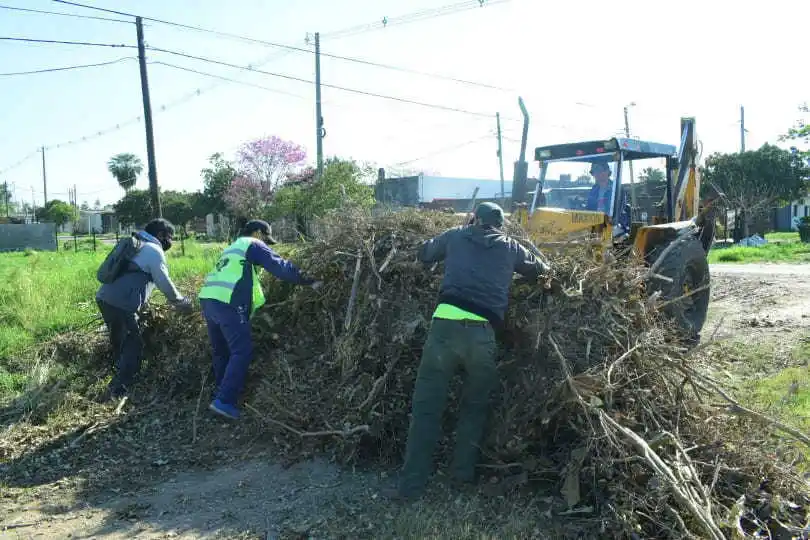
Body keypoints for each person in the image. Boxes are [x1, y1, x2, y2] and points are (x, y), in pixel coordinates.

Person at [389, 202, 550, 501]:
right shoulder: (511, 247)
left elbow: (423, 253)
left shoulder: (455, 235)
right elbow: (543, 272)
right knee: (474, 408)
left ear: (474, 218)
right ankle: (460, 478)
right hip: (482, 336)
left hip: (443, 331)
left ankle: (410, 488)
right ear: (500, 225)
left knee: (425, 410)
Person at [198, 219, 321, 420]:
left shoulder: (232, 248)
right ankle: (225, 401)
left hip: (209, 299)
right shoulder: (253, 244)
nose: (266, 242)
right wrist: (309, 279)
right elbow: (278, 265)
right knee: (242, 351)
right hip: (229, 302)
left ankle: (220, 394)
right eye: (266, 238)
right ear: (257, 233)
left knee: (222, 351)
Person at [96, 218, 191, 399]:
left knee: (121, 341)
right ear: (161, 235)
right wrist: (180, 302)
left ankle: (118, 377)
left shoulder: (137, 245)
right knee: (133, 344)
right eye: (169, 237)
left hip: (105, 297)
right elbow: (164, 282)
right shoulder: (153, 250)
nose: (170, 242)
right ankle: (119, 390)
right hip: (121, 303)